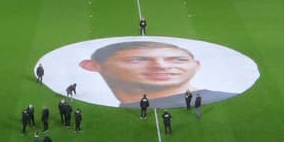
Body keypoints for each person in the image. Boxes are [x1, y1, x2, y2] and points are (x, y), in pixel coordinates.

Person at [77, 40, 235, 108]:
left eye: (178, 59)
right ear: (92, 66)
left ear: (196, 65)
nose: (160, 66)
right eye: (137, 59)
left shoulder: (216, 97)